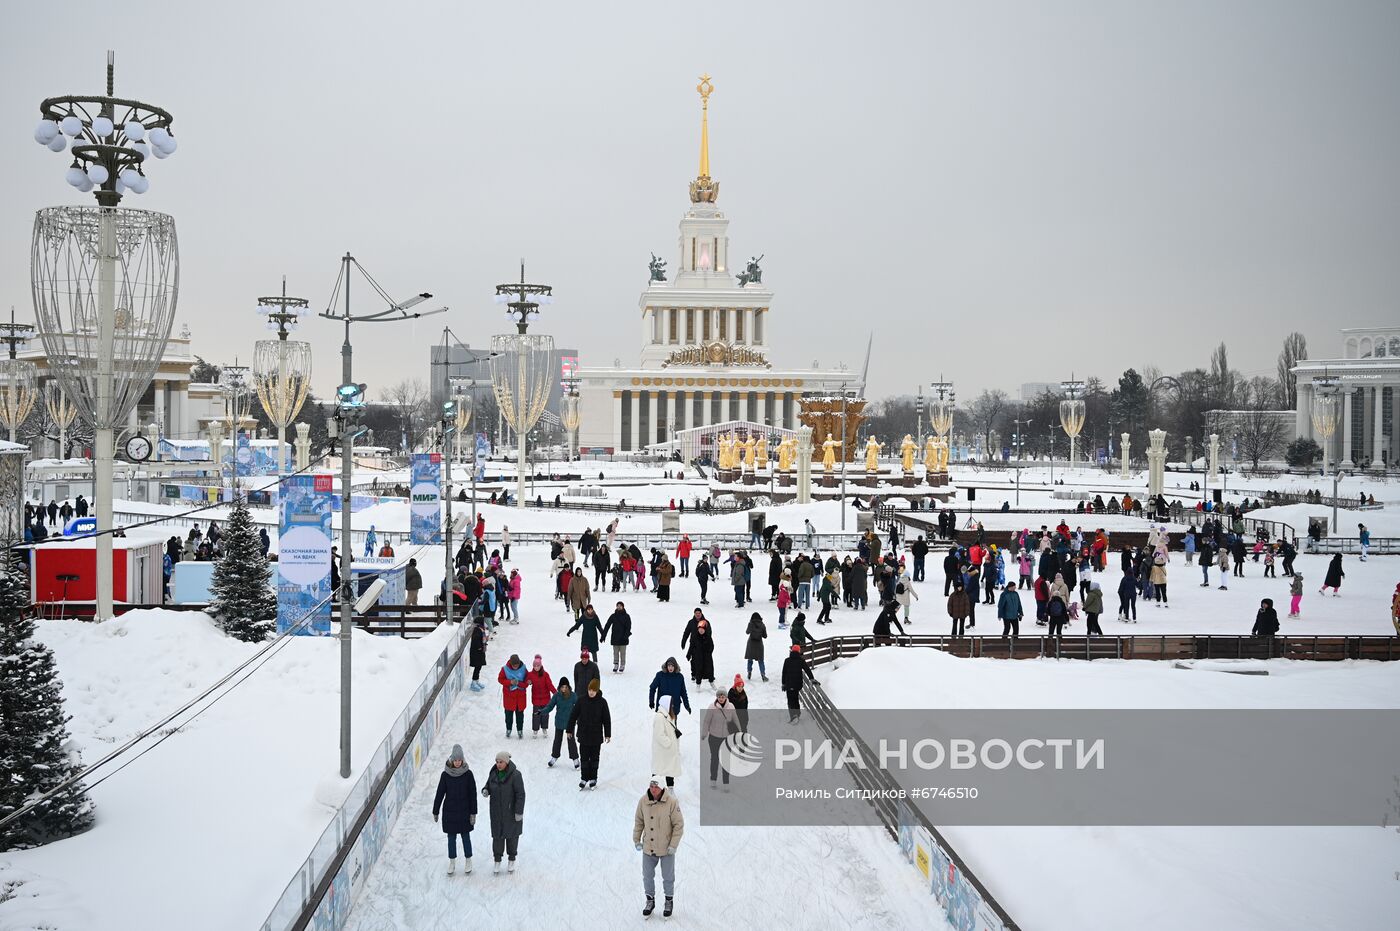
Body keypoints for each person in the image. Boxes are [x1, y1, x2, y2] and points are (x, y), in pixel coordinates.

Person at [633, 775, 684, 920]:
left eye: (656, 787)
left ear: (662, 788)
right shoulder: (643, 801)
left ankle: (669, 901)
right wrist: (636, 840)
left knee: (668, 877)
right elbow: (639, 822)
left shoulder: (672, 802)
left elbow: (678, 825)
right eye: (651, 786)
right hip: (649, 847)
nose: (653, 789)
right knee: (647, 876)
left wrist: (673, 845)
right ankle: (650, 900)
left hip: (667, 848)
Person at [433, 743, 478, 874]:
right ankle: (452, 862)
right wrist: (435, 810)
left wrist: (473, 813)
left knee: (465, 836)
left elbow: (472, 795)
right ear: (452, 760)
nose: (458, 762)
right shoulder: (445, 775)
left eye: (460, 760)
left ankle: (468, 860)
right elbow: (440, 793)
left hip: (464, 811)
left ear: (462, 760)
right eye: (455, 760)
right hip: (450, 812)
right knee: (451, 838)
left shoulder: (468, 774)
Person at [480, 750, 525, 872]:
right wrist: (486, 790)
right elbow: (489, 785)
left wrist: (519, 812)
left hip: (511, 813)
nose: (498, 764)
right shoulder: (494, 773)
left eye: (501, 762)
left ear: (507, 762)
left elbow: (520, 794)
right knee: (497, 837)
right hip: (496, 812)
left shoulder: (516, 775)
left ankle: (511, 860)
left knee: (512, 837)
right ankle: (497, 860)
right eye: (497, 762)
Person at [566, 678, 611, 790]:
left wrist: (607, 734)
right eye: (590, 689)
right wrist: (569, 729)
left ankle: (593, 778)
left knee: (595, 758)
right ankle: (584, 778)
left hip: (596, 736)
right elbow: (573, 715)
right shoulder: (581, 700)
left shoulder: (602, 702)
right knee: (584, 758)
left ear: (597, 690)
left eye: (594, 690)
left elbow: (606, 719)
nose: (591, 692)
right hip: (583, 734)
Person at [702, 688, 740, 788]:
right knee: (715, 758)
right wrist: (704, 733)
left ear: (726, 697)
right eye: (719, 697)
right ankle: (713, 779)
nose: (721, 698)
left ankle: (726, 782)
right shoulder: (712, 707)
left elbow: (736, 720)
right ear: (717, 697)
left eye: (723, 697)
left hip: (727, 738)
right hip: (714, 737)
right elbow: (706, 721)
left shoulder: (731, 707)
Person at [543, 677, 579, 769]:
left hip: (569, 723)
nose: (564, 689)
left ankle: (575, 759)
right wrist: (542, 711)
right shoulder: (557, 695)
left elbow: (579, 707)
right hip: (559, 721)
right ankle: (554, 756)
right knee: (557, 740)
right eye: (562, 687)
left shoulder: (573, 695)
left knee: (571, 741)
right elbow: (550, 706)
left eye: (565, 687)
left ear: (568, 687)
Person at [650, 697, 683, 788]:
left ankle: (670, 790)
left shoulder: (668, 716)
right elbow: (659, 735)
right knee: (658, 771)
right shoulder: (659, 717)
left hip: (667, 751)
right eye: (671, 704)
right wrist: (669, 743)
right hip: (662, 750)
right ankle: (654, 791)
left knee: (670, 770)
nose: (672, 706)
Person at [781, 644, 816, 723]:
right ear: (799, 651)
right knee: (795, 698)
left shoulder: (787, 660)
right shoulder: (801, 660)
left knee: (790, 700)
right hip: (797, 684)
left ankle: (793, 716)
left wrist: (783, 683)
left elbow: (784, 673)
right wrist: (811, 678)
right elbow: (807, 670)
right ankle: (797, 714)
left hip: (788, 684)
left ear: (792, 651)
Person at [498, 654, 528, 738]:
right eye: (514, 665)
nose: (515, 667)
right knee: (508, 716)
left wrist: (522, 683)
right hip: (509, 697)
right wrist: (510, 682)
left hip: (520, 697)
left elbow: (526, 680)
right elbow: (500, 679)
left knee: (520, 716)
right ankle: (508, 729)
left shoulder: (523, 669)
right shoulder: (504, 669)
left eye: (517, 665)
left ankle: (520, 730)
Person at [526, 655, 556, 738]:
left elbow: (550, 685)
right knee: (536, 714)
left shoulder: (545, 675)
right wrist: (528, 682)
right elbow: (526, 682)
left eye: (538, 666)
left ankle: (544, 728)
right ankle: (535, 729)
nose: (536, 667)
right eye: (534, 666)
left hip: (546, 699)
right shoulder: (530, 674)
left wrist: (556, 693)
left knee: (545, 714)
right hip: (536, 699)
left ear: (541, 665)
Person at [602, 602, 633, 673]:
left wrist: (626, 636)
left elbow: (629, 627)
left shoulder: (626, 616)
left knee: (622, 652)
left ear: (623, 607)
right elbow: (607, 625)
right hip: (615, 637)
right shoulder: (613, 616)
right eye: (618, 606)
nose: (619, 607)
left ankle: (622, 664)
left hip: (623, 638)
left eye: (620, 606)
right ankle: (616, 664)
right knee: (615, 652)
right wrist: (603, 636)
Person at [686, 619, 715, 687]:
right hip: (698, 657)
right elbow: (691, 646)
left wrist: (708, 652)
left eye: (702, 629)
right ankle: (698, 684)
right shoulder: (695, 637)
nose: (701, 630)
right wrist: (689, 654)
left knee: (710, 669)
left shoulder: (708, 637)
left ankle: (711, 682)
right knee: (698, 670)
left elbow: (712, 646)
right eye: (700, 629)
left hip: (707, 657)